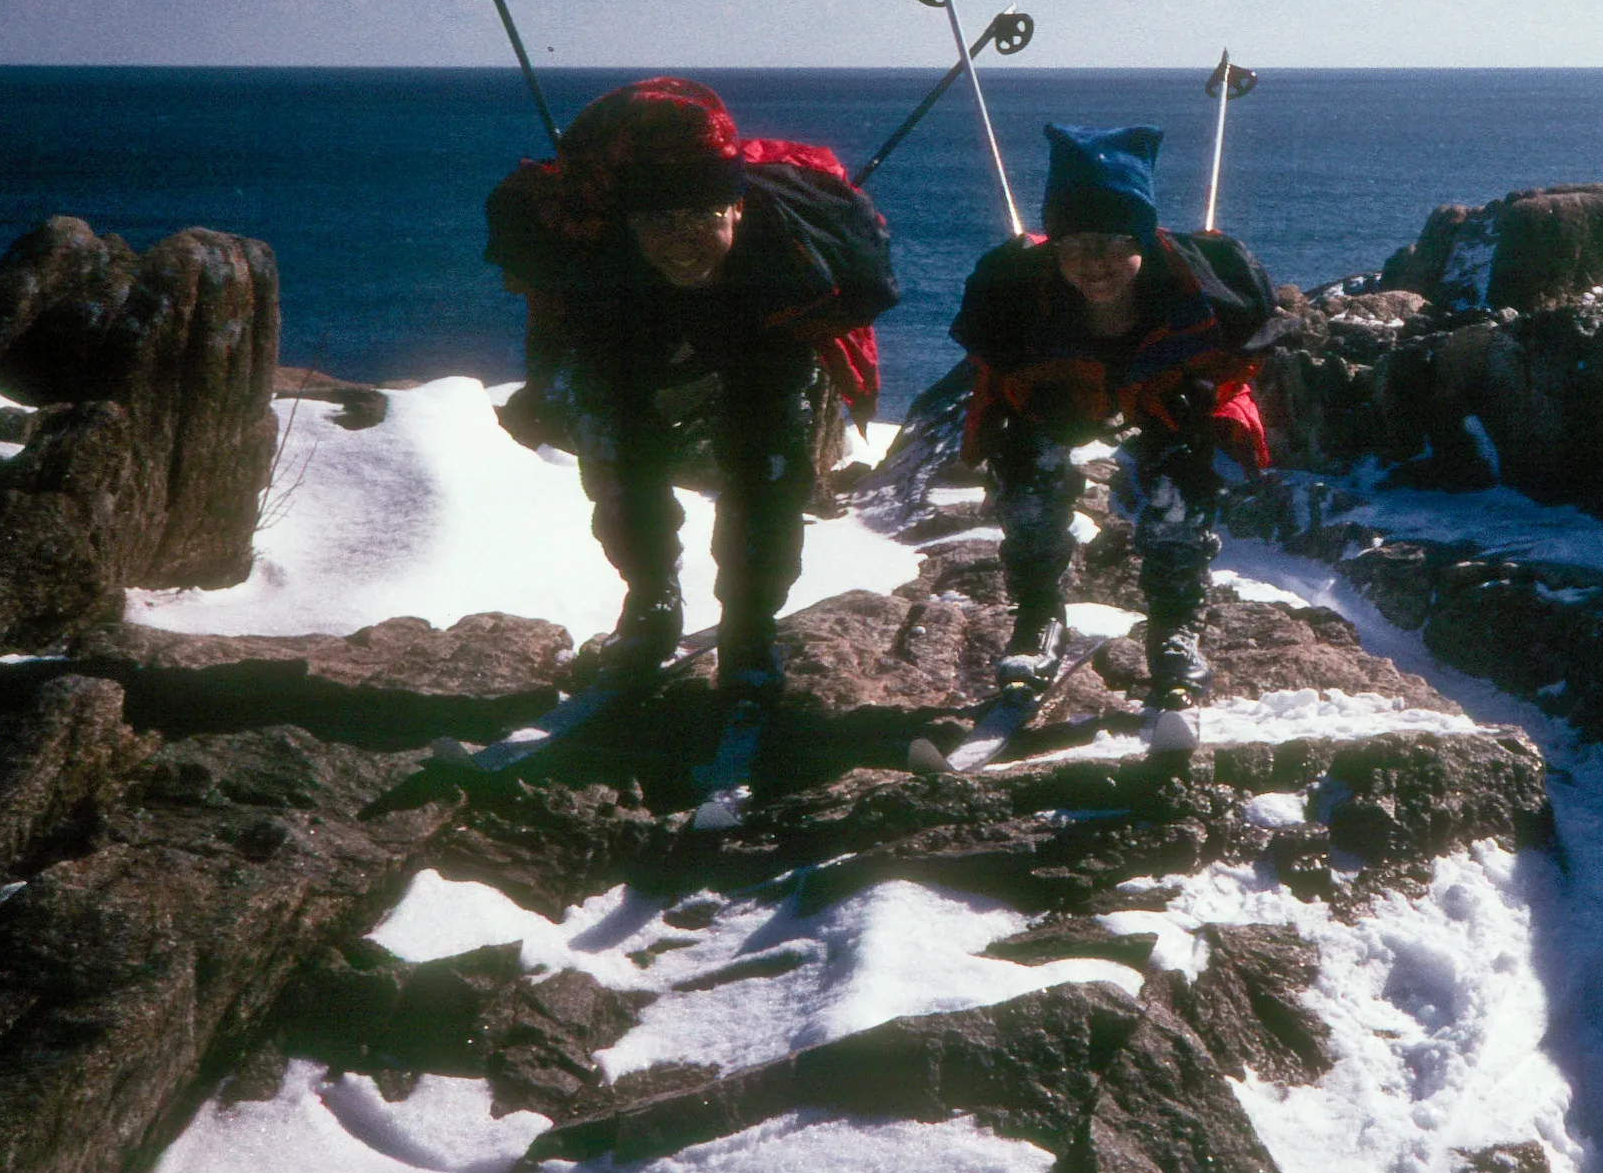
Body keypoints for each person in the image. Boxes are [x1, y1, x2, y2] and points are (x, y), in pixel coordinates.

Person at [484, 77, 896, 698]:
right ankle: (652, 602)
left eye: (700, 217)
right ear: (628, 223)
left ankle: (750, 627)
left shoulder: (787, 265)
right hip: (632, 337)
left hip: (761, 336)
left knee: (769, 471)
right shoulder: (599, 269)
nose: (681, 242)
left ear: (736, 207)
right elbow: (562, 341)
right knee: (619, 459)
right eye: (658, 222)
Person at [949, 122, 1277, 711]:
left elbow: (1239, 367)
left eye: (1110, 243)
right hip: (1068, 392)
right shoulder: (1024, 304)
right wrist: (1028, 415)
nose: (1092, 262)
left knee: (1181, 480)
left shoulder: (1199, 301)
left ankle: (1176, 630)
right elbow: (998, 383)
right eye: (1073, 246)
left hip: (1160, 392)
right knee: (1026, 469)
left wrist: (1201, 398)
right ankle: (1038, 619)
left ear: (1142, 242)